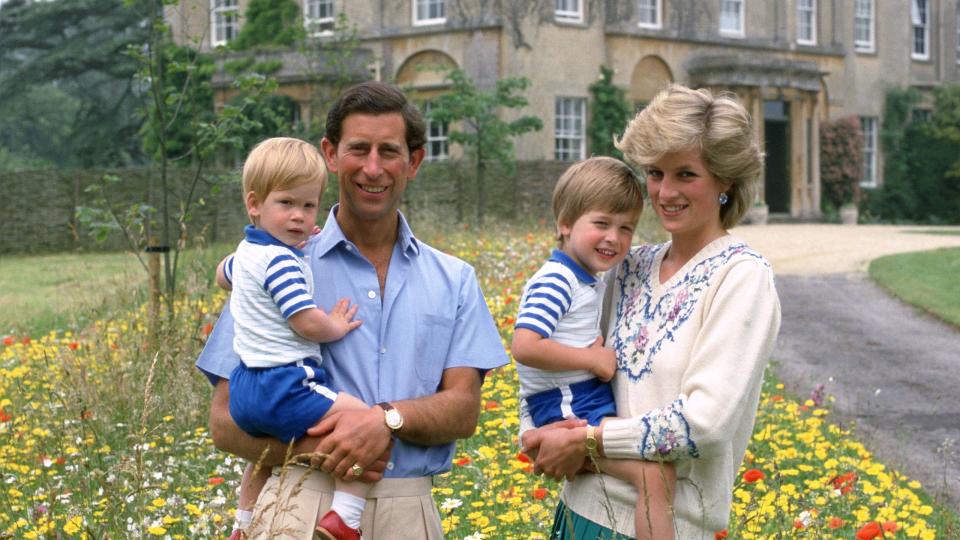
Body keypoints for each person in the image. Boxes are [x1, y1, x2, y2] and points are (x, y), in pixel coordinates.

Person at [196, 81, 509, 540]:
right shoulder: (274, 264)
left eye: (389, 151)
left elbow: (463, 409)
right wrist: (319, 448)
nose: (373, 168)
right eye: (358, 149)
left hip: (409, 513)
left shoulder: (454, 278)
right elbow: (224, 421)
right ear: (330, 153)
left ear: (414, 161)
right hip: (296, 503)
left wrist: (384, 421)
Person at [521, 84, 782, 539]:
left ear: (725, 180)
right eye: (656, 173)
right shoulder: (628, 265)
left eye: (686, 174)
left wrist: (585, 440)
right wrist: (537, 433)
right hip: (582, 511)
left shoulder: (741, 277)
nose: (664, 192)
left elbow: (706, 424)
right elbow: (563, 356)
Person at [213, 137, 377, 540]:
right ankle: (345, 517)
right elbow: (305, 322)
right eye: (286, 204)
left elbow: (221, 275)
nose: (299, 217)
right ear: (255, 204)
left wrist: (285, 245)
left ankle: (243, 524)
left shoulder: (248, 252)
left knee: (264, 460)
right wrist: (335, 325)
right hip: (286, 382)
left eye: (308, 206)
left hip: (246, 389)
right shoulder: (282, 262)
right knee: (363, 423)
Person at [511, 156, 675, 540]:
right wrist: (594, 359)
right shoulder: (557, 280)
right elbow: (525, 345)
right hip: (569, 406)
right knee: (656, 475)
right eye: (601, 223)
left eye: (626, 228)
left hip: (575, 402)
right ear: (565, 224)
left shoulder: (583, 279)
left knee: (655, 475)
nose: (614, 238)